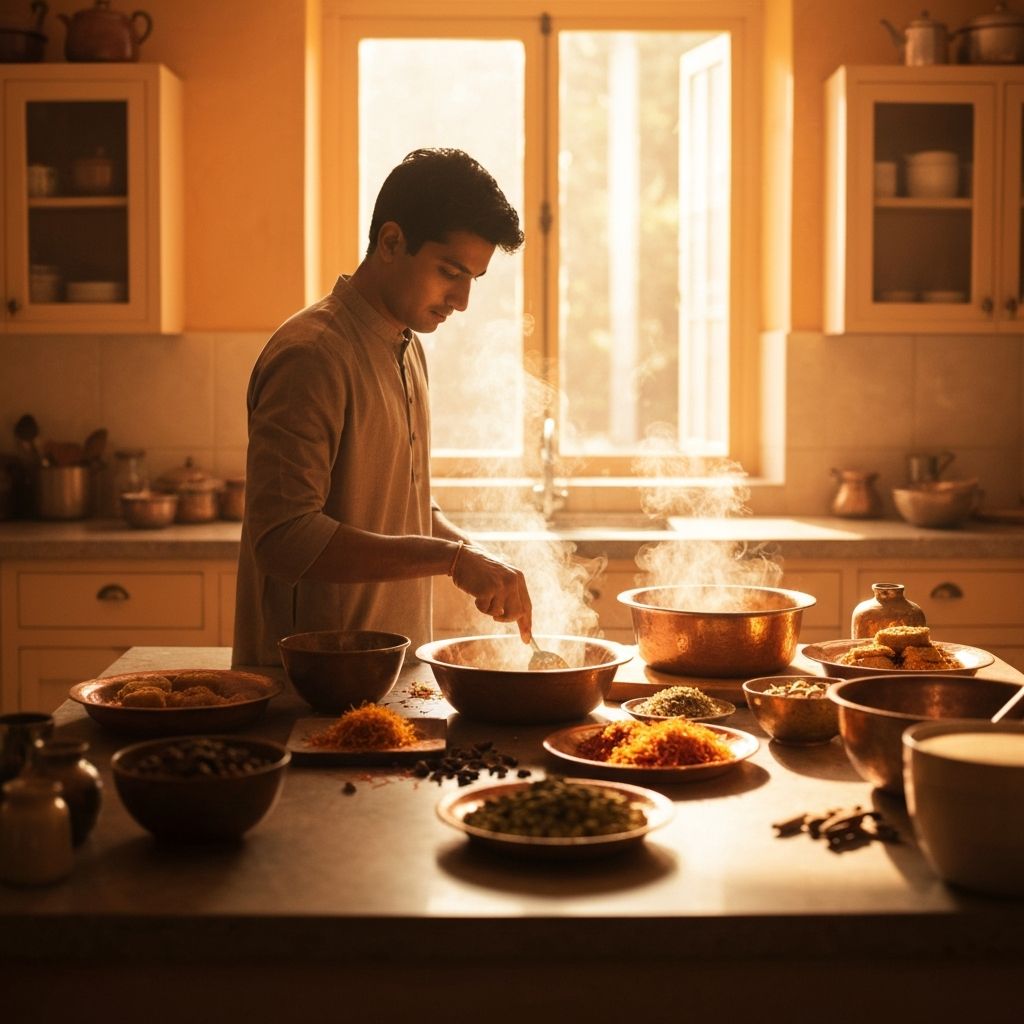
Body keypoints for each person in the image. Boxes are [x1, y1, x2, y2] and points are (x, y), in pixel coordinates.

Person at [232, 148, 533, 667]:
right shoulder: (312, 355)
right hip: (311, 691)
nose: (461, 301)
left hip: (393, 681)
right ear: (392, 242)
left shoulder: (407, 344)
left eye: (471, 281)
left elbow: (401, 507)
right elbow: (284, 539)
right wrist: (452, 561)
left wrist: (474, 554)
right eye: (449, 272)